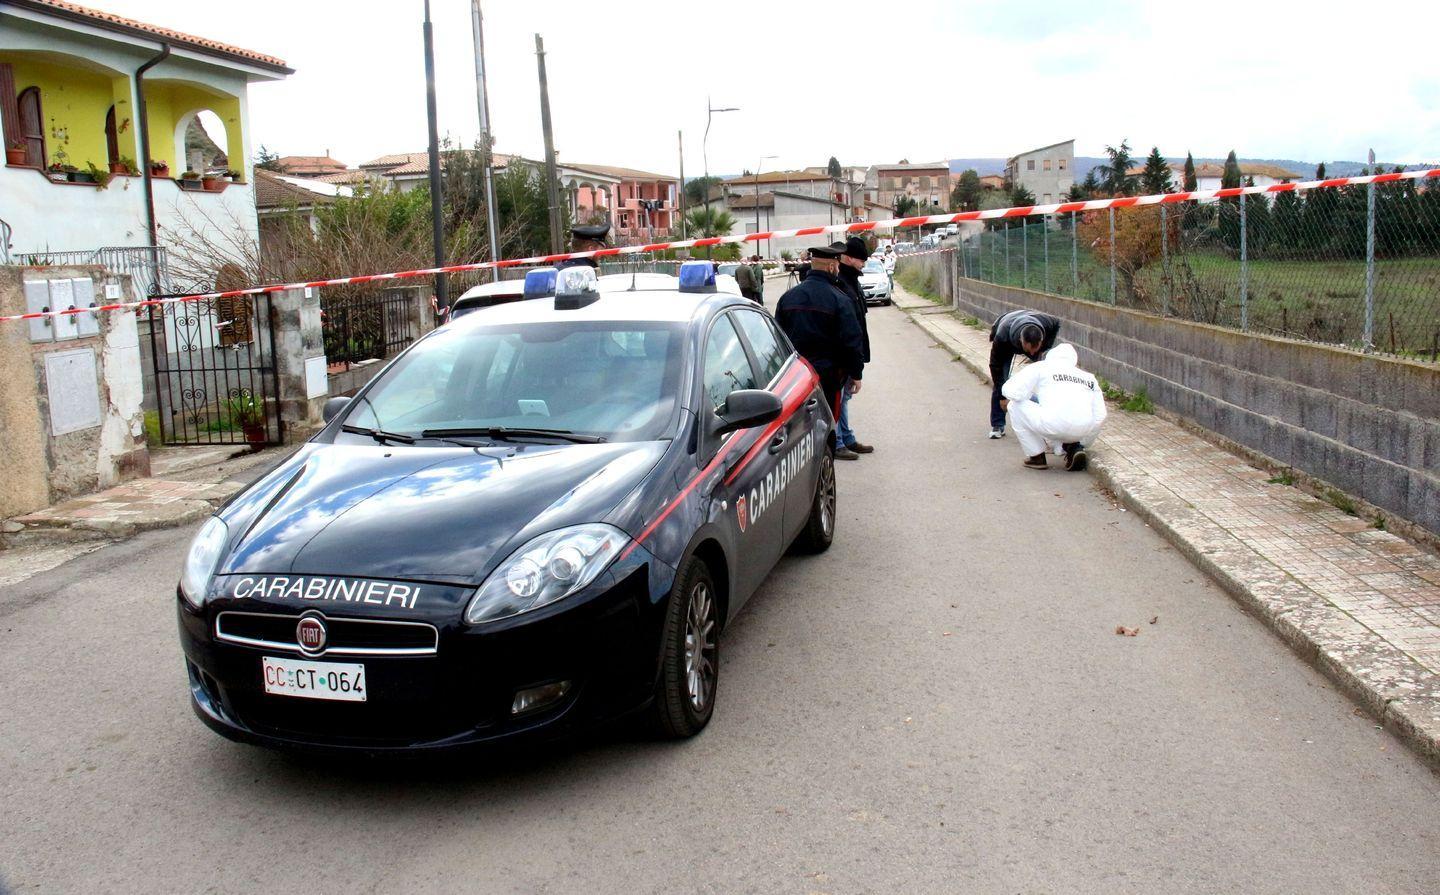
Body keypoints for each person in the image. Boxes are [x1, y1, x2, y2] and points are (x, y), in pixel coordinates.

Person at [774, 243, 866, 457]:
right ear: (833, 267)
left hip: (797, 378)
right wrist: (856, 374)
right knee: (826, 425)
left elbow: (778, 341)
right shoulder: (840, 299)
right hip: (830, 377)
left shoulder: (788, 298)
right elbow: (851, 341)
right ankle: (822, 464)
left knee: (799, 426)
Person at [999, 343, 1106, 471]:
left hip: (1052, 425)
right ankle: (1073, 447)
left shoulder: (1041, 367)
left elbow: (1011, 390)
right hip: (1082, 430)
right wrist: (1084, 441)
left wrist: (1031, 396)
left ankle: (1036, 456)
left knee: (1015, 405)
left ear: (1050, 356)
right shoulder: (1089, 378)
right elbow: (1100, 415)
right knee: (1062, 416)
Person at [987, 308, 1061, 439]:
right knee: (1001, 381)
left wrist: (1045, 348)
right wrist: (1003, 397)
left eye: (1035, 348)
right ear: (1022, 342)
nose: (1032, 354)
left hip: (1028, 321)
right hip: (1007, 335)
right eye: (1029, 349)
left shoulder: (1047, 323)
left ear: (1041, 340)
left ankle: (1045, 422)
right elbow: (995, 366)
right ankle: (997, 424)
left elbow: (1057, 323)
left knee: (1044, 380)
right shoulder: (1002, 337)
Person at [832, 237, 874, 457]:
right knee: (840, 397)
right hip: (844, 354)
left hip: (852, 352)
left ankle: (846, 438)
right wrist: (854, 362)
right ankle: (839, 442)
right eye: (861, 260)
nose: (863, 264)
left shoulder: (851, 281)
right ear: (848, 258)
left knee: (844, 397)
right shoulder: (842, 283)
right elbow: (849, 328)